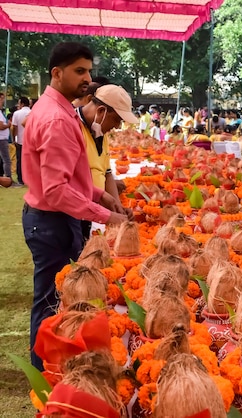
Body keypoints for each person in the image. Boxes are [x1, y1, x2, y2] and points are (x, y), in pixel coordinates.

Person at [21, 42, 129, 370]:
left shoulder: (62, 110)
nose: (87, 78)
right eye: (79, 71)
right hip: (51, 220)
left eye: (89, 70)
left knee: (58, 297)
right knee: (51, 300)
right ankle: (46, 371)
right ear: (57, 73)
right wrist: (106, 215)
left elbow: (69, 177)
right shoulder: (56, 118)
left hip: (52, 219)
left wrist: (100, 195)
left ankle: (54, 363)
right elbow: (56, 191)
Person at [77, 84, 138, 238]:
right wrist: (108, 214)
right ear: (102, 111)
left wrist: (118, 207)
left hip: (87, 212)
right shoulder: (72, 128)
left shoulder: (100, 132)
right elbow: (71, 182)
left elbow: (107, 173)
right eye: (117, 119)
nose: (117, 126)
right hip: (69, 214)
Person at [11, 96, 30, 187]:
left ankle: (20, 179)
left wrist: (14, 137)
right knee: (30, 161)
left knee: (19, 161)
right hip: (30, 141)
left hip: (20, 140)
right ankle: (30, 179)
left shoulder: (16, 113)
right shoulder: (32, 112)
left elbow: (14, 127)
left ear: (22, 104)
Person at [0, 93, 12, 182]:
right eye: (2, 99)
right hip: (2, 139)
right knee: (6, 160)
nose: (3, 101)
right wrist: (8, 125)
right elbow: (0, 126)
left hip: (3, 138)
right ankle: (8, 178)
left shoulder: (1, 112)